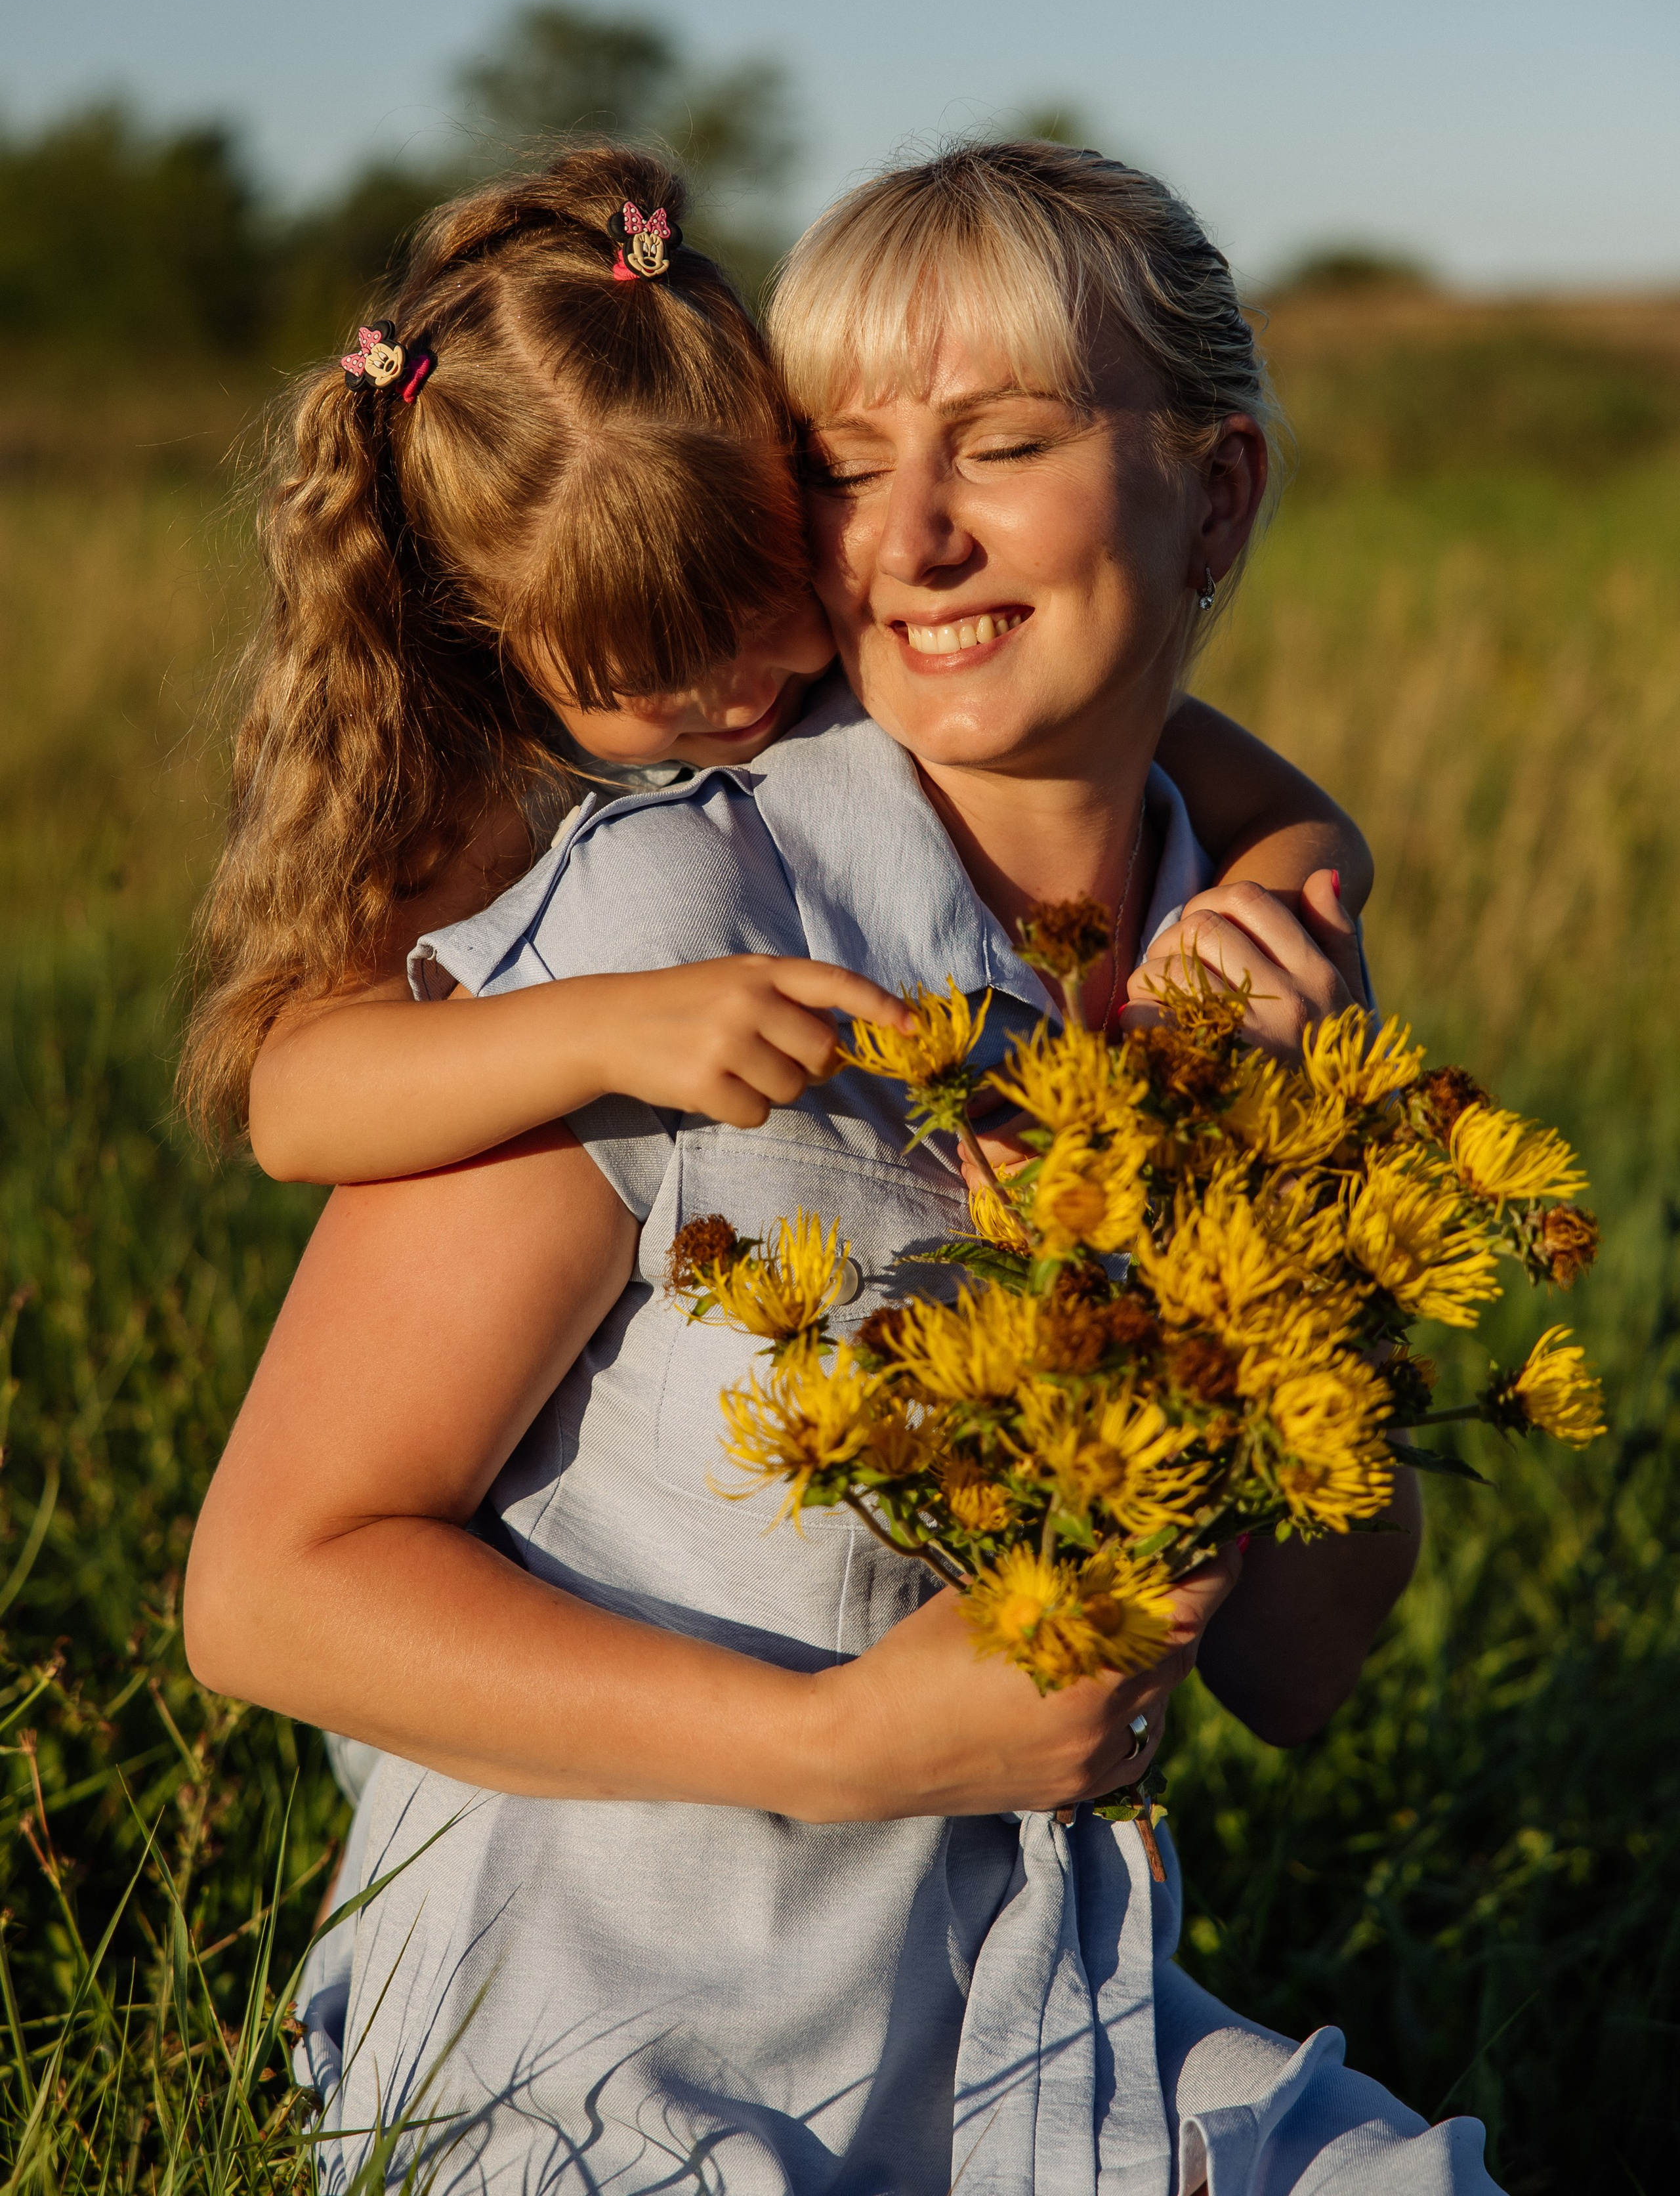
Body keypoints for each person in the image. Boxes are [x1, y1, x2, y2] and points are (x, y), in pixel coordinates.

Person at [184, 142, 1494, 2193]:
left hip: (1041, 2030)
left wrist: (1276, 1209)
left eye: (1008, 442)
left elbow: (1300, 1668)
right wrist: (838, 1746)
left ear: (1216, 492)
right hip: (615, 2057)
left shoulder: (1234, 958)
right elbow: (268, 1592)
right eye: (851, 462)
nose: (919, 536)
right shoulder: (671, 920)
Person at [179, 147, 1369, 1190]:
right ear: (501, 647)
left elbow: (1304, 823)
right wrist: (602, 1027)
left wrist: (1217, 962)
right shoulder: (504, 789)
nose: (735, 693)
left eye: (759, 606)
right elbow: (294, 1103)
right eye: (647, 677)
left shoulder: (957, 706)